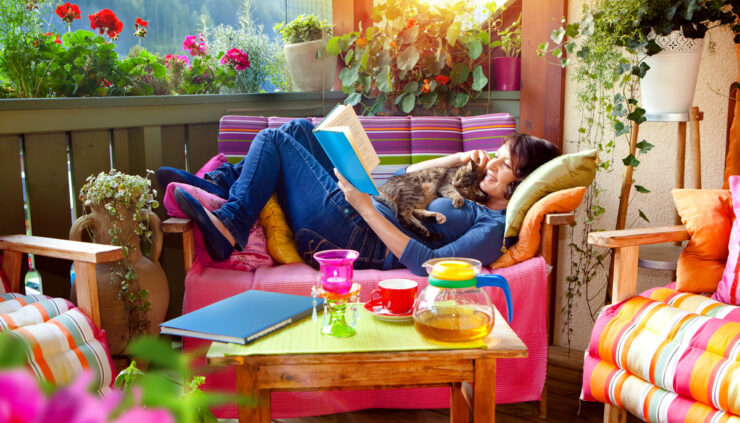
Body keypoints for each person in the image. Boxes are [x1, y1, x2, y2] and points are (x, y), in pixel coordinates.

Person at [157, 119, 561, 276]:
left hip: (360, 237)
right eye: (497, 155)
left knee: (274, 139)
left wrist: (366, 208)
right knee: (299, 130)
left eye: (504, 164)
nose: (491, 162)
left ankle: (230, 223)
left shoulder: (491, 227)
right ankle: (221, 189)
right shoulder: (469, 191)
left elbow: (431, 266)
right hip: (364, 211)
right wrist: (457, 159)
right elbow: (403, 178)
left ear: (520, 183)